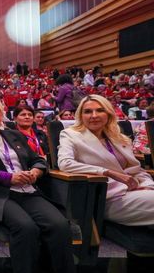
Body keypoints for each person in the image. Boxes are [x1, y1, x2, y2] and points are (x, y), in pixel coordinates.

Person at [0, 96, 75, 273]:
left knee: (59, 225)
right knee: (26, 228)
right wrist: (8, 177)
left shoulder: (14, 135)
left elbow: (37, 159)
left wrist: (36, 171)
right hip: (0, 194)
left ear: (1, 115)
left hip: (28, 190)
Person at [58, 95, 154, 226]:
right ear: (80, 115)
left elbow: (137, 170)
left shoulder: (119, 137)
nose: (94, 115)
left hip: (137, 191)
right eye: (87, 111)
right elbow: (65, 163)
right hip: (108, 197)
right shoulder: (70, 135)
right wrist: (107, 172)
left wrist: (147, 186)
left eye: (100, 110)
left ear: (108, 113)